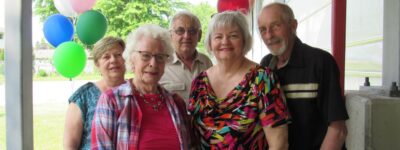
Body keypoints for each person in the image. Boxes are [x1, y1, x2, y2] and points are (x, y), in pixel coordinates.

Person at [188, 11, 290, 149]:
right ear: (210, 43)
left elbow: (279, 144)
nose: (225, 42)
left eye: (233, 36)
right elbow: (192, 139)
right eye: (218, 36)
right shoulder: (199, 83)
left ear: (244, 41)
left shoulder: (262, 79)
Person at [258, 3, 349, 149]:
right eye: (263, 30)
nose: (269, 35)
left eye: (276, 26)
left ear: (293, 26)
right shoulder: (266, 65)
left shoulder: (320, 62)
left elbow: (337, 130)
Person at [91, 24, 192, 150]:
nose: (153, 63)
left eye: (160, 57)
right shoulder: (112, 101)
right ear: (132, 60)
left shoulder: (176, 103)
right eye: (145, 55)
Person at [63, 36, 126, 150]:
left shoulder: (136, 92)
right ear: (97, 64)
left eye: (118, 55)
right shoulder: (83, 97)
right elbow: (70, 145)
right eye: (106, 57)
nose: (113, 60)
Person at [160, 11, 213, 102]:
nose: (186, 36)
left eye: (192, 31)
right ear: (170, 35)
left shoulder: (206, 62)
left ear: (199, 35)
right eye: (180, 31)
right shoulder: (161, 64)